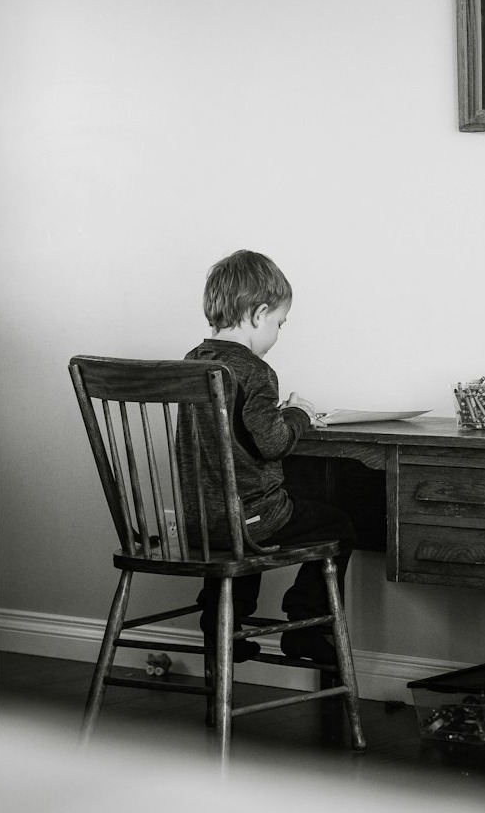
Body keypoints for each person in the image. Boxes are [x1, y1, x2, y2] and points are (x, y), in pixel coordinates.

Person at [177, 249, 356, 663]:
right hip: (251, 521)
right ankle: (306, 624)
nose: (277, 333)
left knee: (240, 543)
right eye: (279, 323)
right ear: (258, 314)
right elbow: (272, 443)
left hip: (201, 522)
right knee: (340, 525)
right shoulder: (255, 371)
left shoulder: (190, 363)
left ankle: (221, 624)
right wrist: (298, 413)